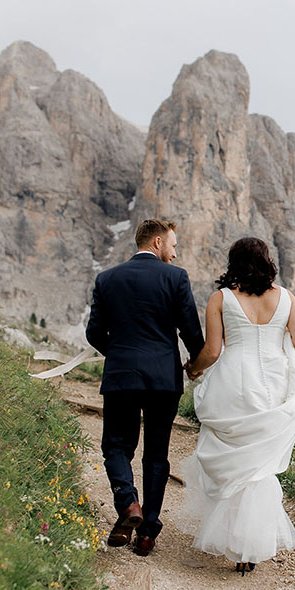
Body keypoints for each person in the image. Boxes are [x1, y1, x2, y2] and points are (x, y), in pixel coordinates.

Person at [178, 236, 295, 575]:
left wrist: (192, 369)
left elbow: (212, 351)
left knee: (235, 461)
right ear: (267, 261)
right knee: (259, 465)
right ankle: (250, 547)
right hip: (274, 386)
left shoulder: (221, 299)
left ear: (233, 262)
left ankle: (236, 540)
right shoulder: (286, 298)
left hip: (233, 384)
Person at [85, 219, 205, 557]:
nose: (175, 252)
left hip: (121, 377)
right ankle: (148, 532)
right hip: (163, 381)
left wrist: (121, 354)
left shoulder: (106, 279)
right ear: (156, 242)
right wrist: (195, 365)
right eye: (173, 245)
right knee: (157, 455)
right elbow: (190, 333)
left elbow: (94, 333)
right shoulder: (176, 278)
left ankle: (128, 503)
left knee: (116, 446)